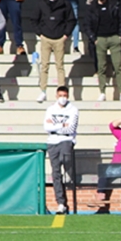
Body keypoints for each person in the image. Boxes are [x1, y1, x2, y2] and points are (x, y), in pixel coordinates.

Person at [83, 0, 121, 102]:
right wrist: (93, 38)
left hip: (114, 37)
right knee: (101, 67)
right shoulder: (92, 7)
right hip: (99, 39)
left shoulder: (114, 4)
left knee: (118, 66)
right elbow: (87, 23)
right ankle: (102, 92)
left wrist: (120, 36)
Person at [34, 0, 74, 103]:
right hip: (46, 37)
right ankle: (43, 91)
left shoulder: (65, 4)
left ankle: (61, 93)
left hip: (59, 38)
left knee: (60, 66)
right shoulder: (42, 3)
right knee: (44, 65)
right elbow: (34, 19)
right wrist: (40, 33)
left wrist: (66, 34)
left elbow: (71, 20)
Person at [44, 85, 77, 214]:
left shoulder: (73, 110)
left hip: (66, 140)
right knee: (55, 172)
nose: (62, 98)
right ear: (56, 96)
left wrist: (55, 126)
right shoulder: (51, 109)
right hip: (52, 141)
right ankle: (61, 203)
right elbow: (47, 127)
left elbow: (71, 129)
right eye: (60, 96)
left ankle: (72, 189)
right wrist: (62, 125)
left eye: (65, 96)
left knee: (67, 162)